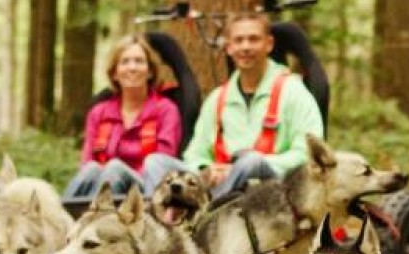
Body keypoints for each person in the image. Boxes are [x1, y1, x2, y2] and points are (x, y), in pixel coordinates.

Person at [182, 13, 324, 202]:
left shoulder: (294, 92)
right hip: (221, 185)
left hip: (274, 189)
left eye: (253, 39)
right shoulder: (217, 99)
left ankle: (209, 213)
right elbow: (194, 153)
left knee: (250, 162)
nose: (246, 47)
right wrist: (205, 168)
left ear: (269, 44)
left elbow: (307, 153)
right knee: (156, 162)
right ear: (229, 47)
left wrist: (250, 166)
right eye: (239, 40)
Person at [64, 35, 189, 200]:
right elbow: (87, 162)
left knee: (115, 168)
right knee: (92, 169)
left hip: (147, 193)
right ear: (115, 73)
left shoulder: (165, 110)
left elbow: (161, 167)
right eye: (125, 62)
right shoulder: (99, 113)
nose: (132, 68)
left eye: (139, 61)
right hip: (101, 189)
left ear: (150, 71)